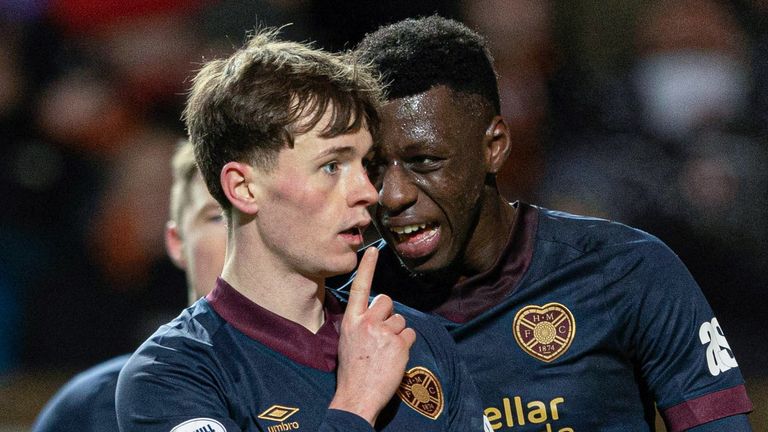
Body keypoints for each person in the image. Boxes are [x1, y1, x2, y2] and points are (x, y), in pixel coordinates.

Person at [348, 15, 754, 431]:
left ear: (494, 147)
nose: (392, 195)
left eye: (425, 161)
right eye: (373, 167)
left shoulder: (627, 272)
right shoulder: (342, 309)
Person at [116, 29, 483, 432]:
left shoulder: (418, 338)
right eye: (331, 166)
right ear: (243, 187)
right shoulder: (173, 375)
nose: (367, 192)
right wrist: (357, 402)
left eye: (365, 164)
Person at [31, 140, 227, 432]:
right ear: (177, 241)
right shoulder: (93, 407)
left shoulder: (316, 389)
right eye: (218, 216)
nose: (242, 240)